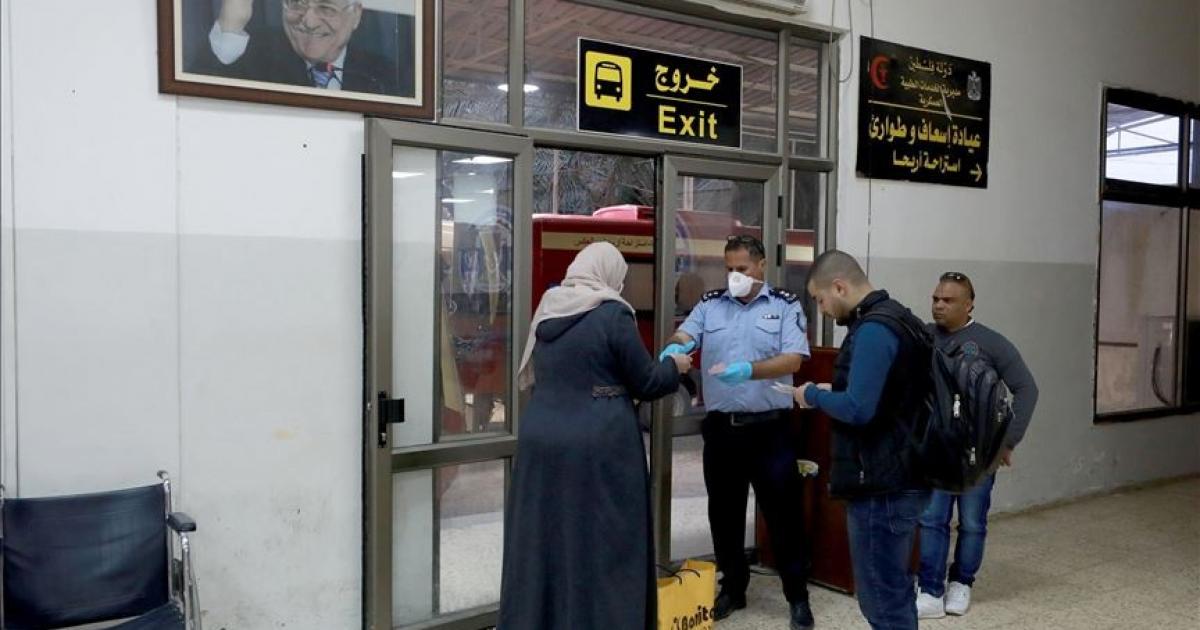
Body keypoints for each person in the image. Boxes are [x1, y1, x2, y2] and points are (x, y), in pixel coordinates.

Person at [498, 242, 691, 630]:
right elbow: (647, 381)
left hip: (541, 439)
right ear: (609, 273)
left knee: (548, 540)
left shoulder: (549, 308)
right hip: (599, 441)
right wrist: (675, 365)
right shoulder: (612, 313)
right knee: (605, 540)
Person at [659, 235, 814, 630]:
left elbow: (793, 359)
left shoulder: (785, 305)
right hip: (723, 431)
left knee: (783, 516)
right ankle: (733, 587)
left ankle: (797, 596)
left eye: (742, 269)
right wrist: (675, 347)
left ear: (761, 266)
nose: (734, 276)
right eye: (729, 269)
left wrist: (749, 370)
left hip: (770, 431)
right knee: (724, 515)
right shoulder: (711, 304)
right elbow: (686, 334)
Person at [790, 249, 930, 630]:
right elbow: (886, 395)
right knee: (895, 591)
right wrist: (833, 389)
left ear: (839, 286)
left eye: (820, 299)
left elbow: (858, 409)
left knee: (881, 600)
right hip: (904, 472)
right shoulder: (899, 317)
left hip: (881, 485)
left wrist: (812, 395)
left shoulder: (873, 330)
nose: (822, 310)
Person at [916, 272, 1040, 619]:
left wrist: (1007, 442)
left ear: (969, 305)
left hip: (978, 454)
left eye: (948, 300)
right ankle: (930, 589)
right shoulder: (924, 336)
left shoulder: (991, 342)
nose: (939, 305)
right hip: (936, 450)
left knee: (972, 522)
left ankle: (962, 582)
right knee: (931, 520)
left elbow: (1027, 389)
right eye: (936, 299)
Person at [196, 0, 411, 96]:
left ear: (355, 15)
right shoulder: (253, 55)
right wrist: (231, 26)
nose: (309, 21)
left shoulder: (385, 77)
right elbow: (201, 91)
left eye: (326, 7)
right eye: (297, 3)